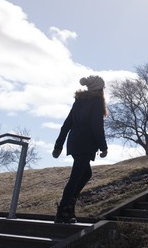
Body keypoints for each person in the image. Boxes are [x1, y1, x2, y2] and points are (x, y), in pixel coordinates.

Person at [52, 75, 108, 223]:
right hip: (86, 143)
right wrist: (103, 147)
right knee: (76, 177)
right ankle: (63, 211)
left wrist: (59, 145)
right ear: (99, 89)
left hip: (75, 142)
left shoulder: (79, 101)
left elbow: (67, 124)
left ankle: (69, 206)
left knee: (86, 174)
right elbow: (97, 126)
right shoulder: (96, 102)